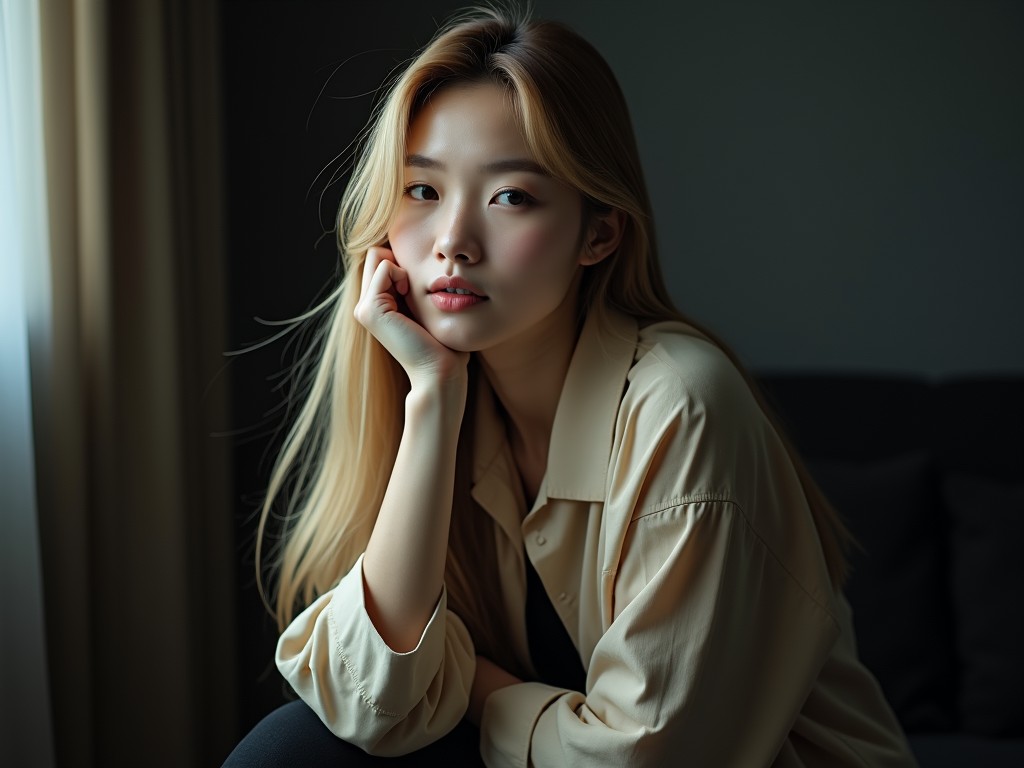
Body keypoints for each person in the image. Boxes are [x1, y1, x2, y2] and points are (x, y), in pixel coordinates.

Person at [224, 5, 918, 767]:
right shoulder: (437, 393)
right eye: (422, 190)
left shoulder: (681, 404)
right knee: (294, 749)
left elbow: (640, 759)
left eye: (511, 196)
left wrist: (473, 689)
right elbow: (367, 706)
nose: (452, 241)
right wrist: (431, 402)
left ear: (599, 233)